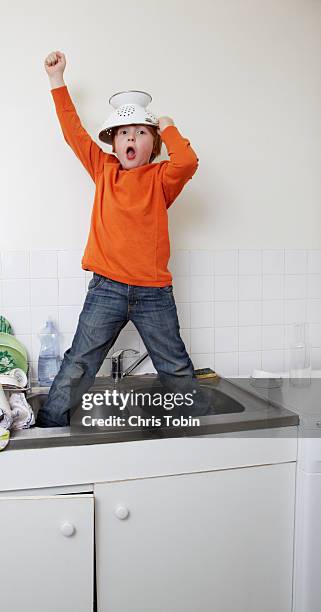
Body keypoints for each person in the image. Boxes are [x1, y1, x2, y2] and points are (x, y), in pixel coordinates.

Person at [36, 50, 208, 428]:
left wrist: (168, 124)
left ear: (154, 144)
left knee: (175, 365)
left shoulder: (161, 179)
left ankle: (201, 434)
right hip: (106, 289)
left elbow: (188, 162)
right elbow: (72, 132)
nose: (131, 137)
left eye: (142, 133)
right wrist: (57, 80)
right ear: (114, 144)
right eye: (124, 133)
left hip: (153, 293)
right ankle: (47, 429)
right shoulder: (103, 168)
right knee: (79, 361)